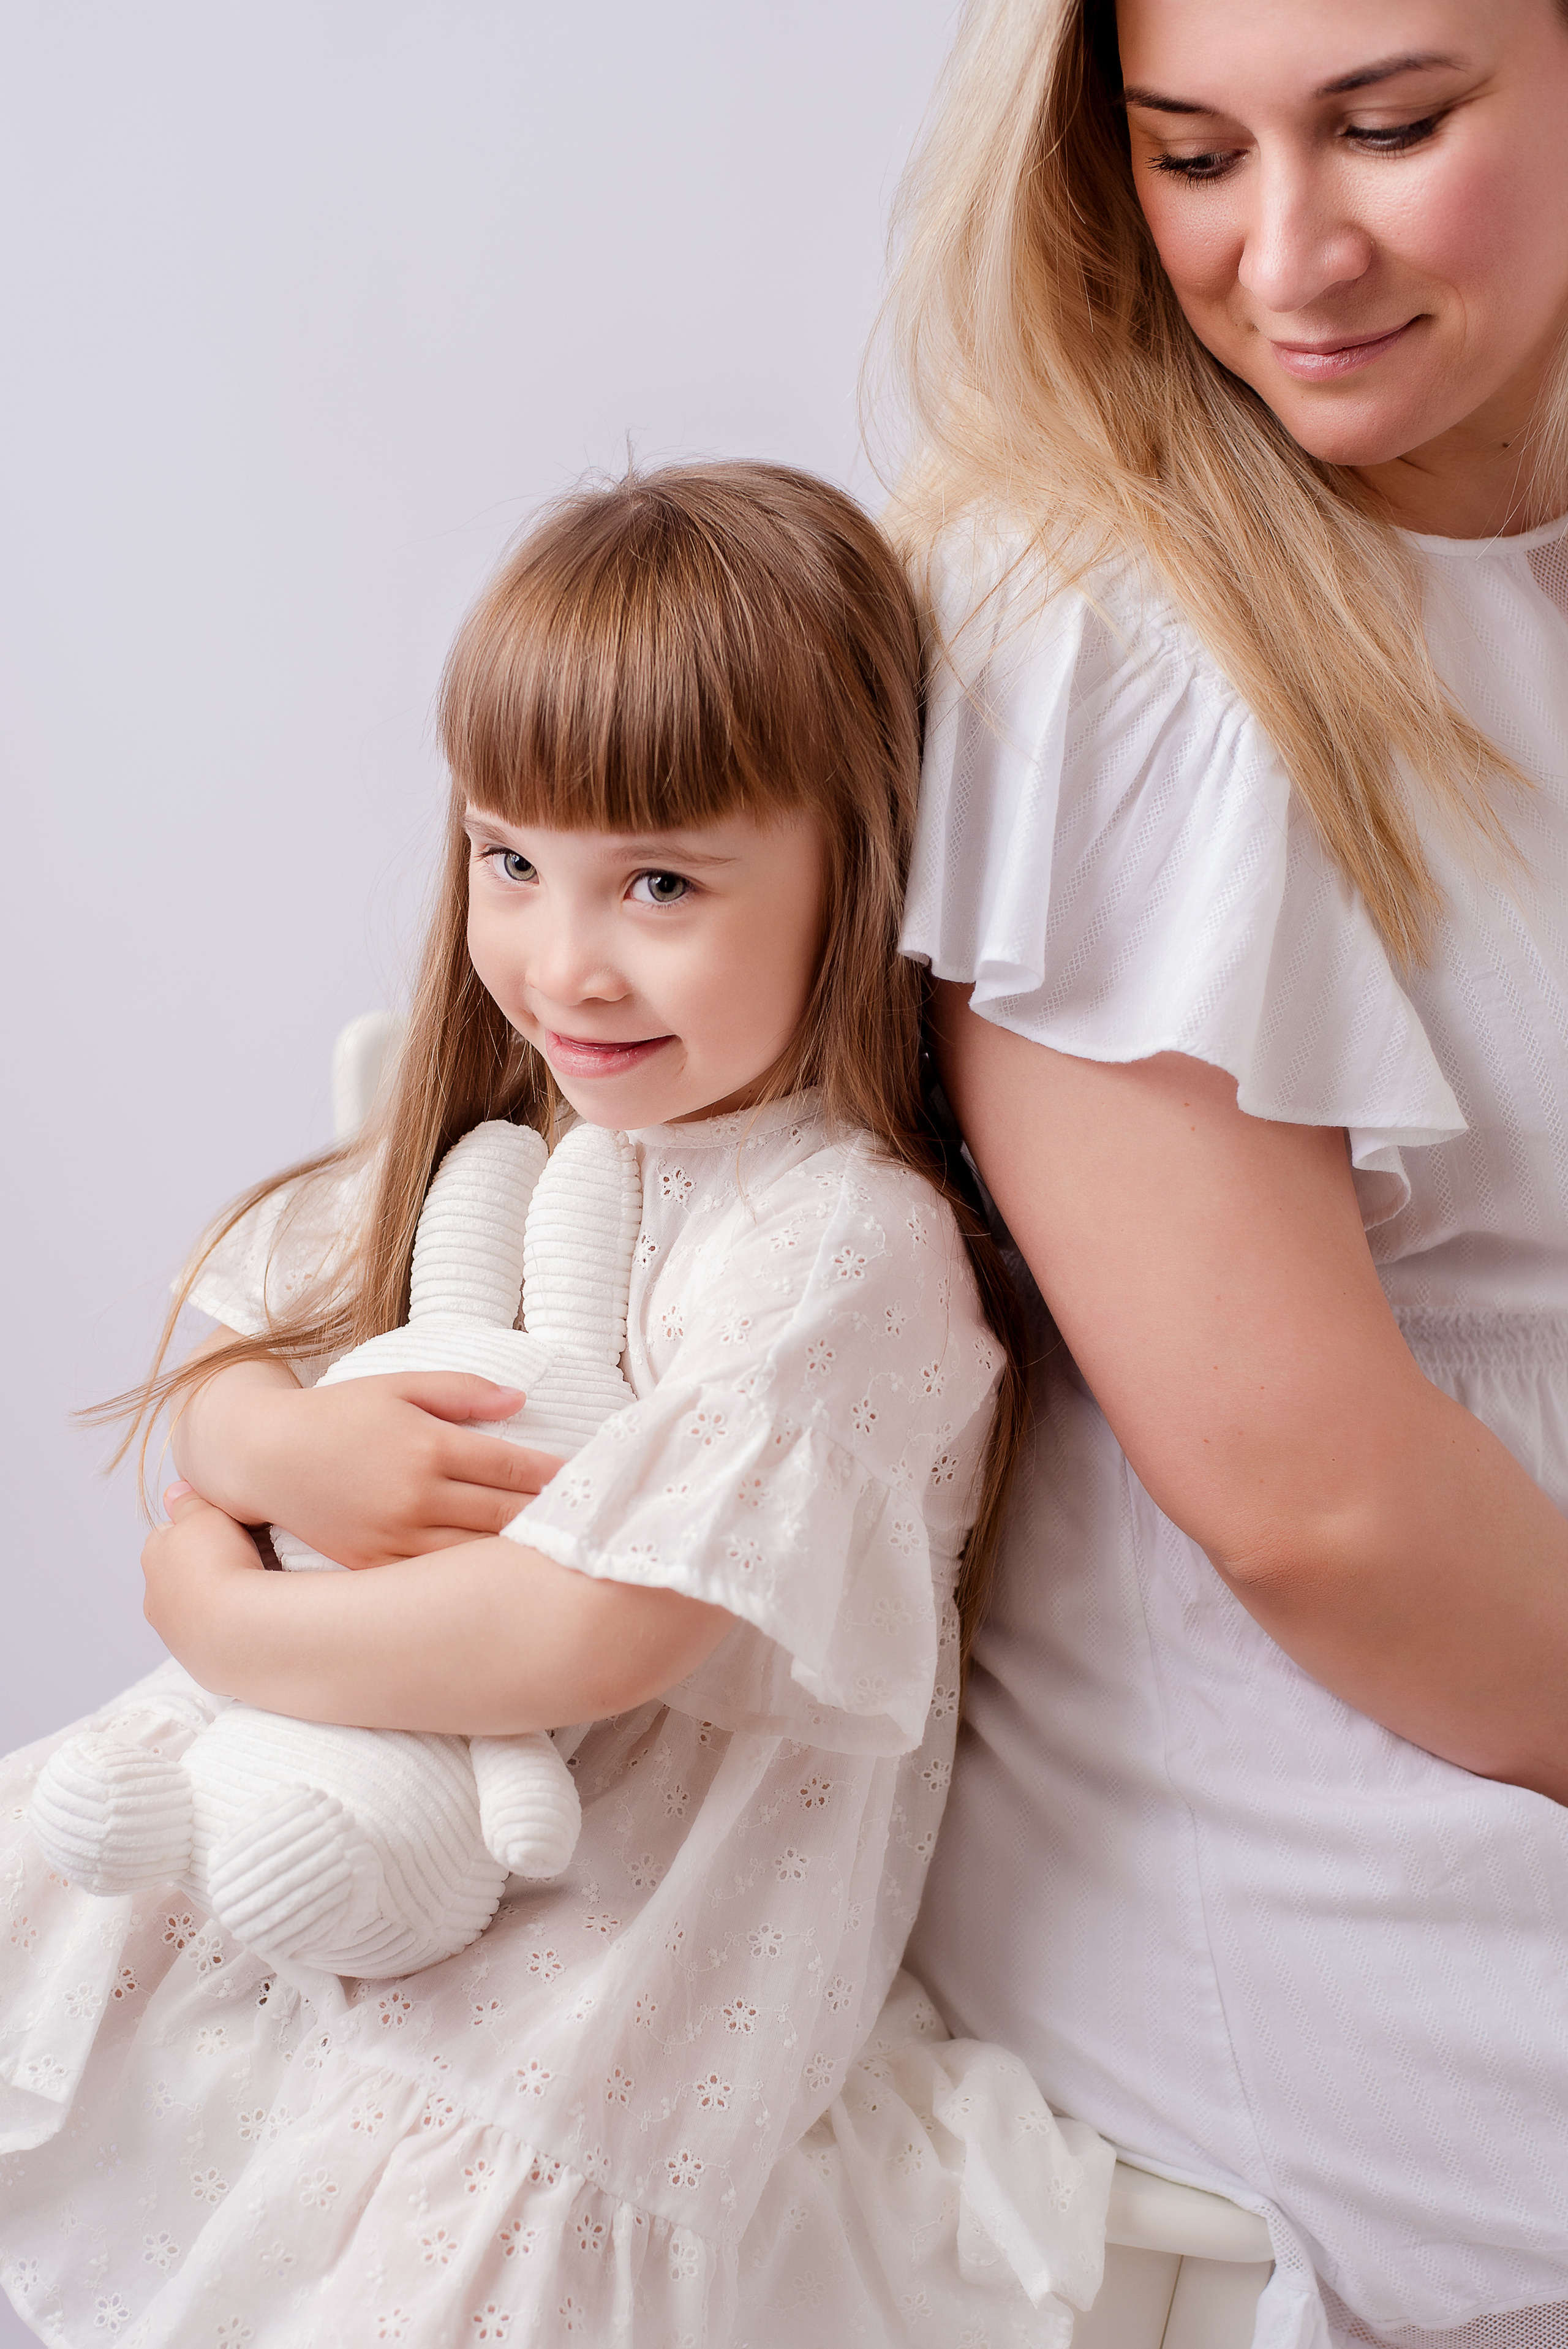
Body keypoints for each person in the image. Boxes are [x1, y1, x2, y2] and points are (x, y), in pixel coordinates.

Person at [0, 463, 1112, 2349]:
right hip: (314, 1846)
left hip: (590, 1964)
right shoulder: (507, 1137)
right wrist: (282, 1448)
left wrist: (227, 1619)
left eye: (658, 883)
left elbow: (596, 1628)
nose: (561, 959)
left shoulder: (838, 1246)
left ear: (855, 868)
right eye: (510, 861)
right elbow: (228, 1348)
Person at [886, 2, 1568, 2345]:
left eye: (1388, 128)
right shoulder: (1107, 632)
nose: (1288, 257)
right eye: (1192, 157)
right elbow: (1319, 1506)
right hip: (1338, 1768)